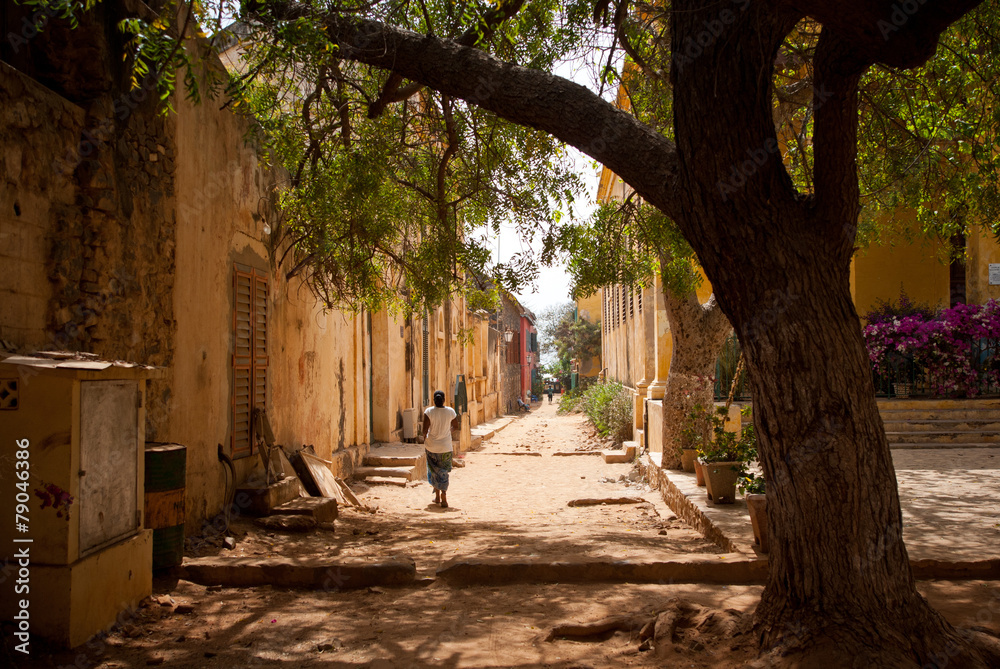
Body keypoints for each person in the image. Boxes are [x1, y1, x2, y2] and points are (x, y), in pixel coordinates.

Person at [422, 390, 460, 508]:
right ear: (444, 400)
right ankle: (443, 495)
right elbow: (456, 426)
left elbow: (424, 430)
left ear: (434, 400)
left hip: (432, 446)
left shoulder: (429, 412)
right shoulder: (450, 411)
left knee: (434, 470)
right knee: (443, 471)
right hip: (446, 447)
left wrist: (425, 439)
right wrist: (449, 432)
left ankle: (437, 496)